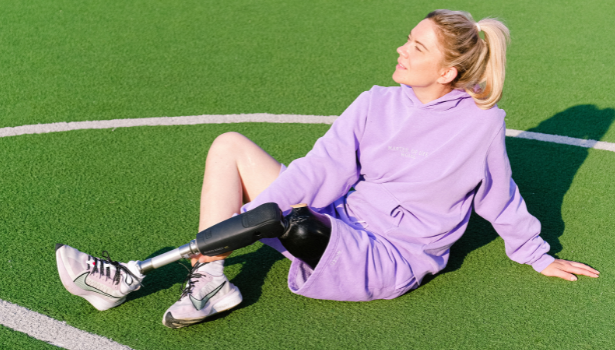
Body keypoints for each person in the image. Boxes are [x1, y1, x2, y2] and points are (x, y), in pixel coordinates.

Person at [55, 9, 600, 329]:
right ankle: (210, 279)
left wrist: (537, 255)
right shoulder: (373, 103)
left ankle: (140, 273)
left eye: (417, 46)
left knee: (296, 225)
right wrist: (258, 213)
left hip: (389, 255)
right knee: (230, 147)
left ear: (449, 68)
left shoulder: (479, 127)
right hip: (343, 214)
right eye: (407, 39)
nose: (401, 49)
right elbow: (322, 168)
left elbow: (498, 199)